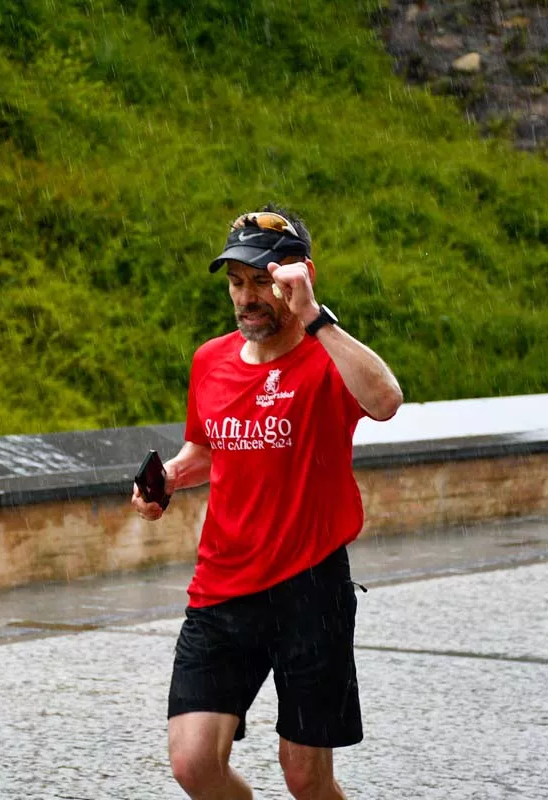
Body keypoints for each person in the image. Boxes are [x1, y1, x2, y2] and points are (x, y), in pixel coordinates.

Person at [131, 205, 403, 799]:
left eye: (262, 280)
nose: (247, 296)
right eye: (237, 282)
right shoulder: (211, 360)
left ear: (297, 276)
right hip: (223, 587)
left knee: (305, 775)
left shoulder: (326, 357)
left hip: (310, 589)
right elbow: (207, 447)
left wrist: (313, 317)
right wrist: (172, 477)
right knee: (193, 763)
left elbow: (385, 401)